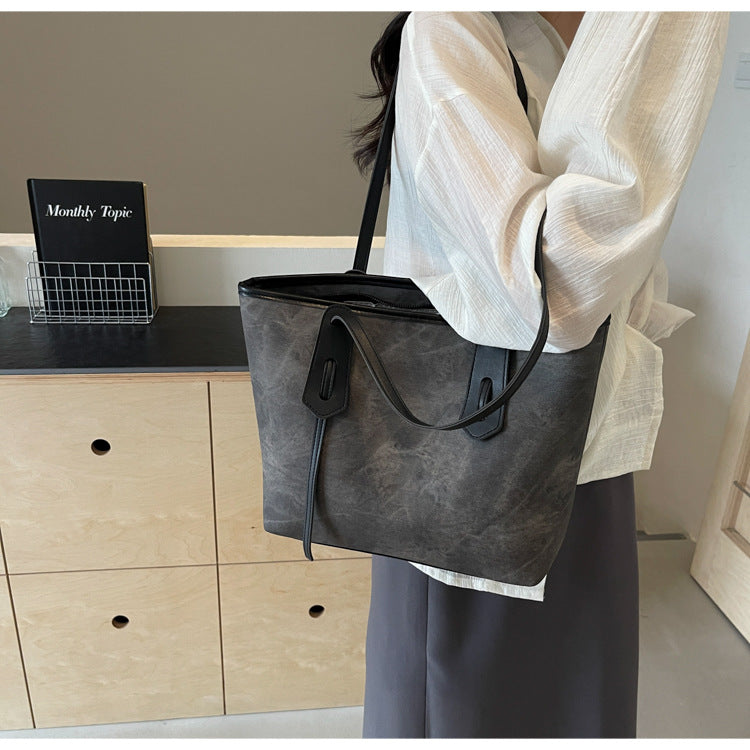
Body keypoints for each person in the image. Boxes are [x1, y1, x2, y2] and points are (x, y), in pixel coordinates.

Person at [350, 11, 729, 739]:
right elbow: (554, 285)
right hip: (469, 463)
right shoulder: (452, 28)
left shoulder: (573, 42)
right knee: (468, 710)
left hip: (588, 448)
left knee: (579, 705)